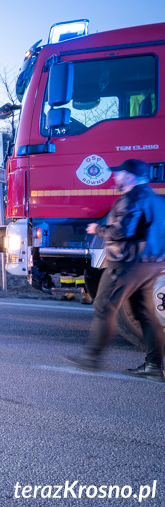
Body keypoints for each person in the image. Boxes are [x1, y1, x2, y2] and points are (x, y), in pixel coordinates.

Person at [65, 159, 165, 382]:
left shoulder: (131, 198)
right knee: (145, 314)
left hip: (126, 264)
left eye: (119, 173)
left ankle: (91, 358)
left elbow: (123, 232)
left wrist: (97, 229)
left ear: (130, 175)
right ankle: (154, 366)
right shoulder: (158, 200)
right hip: (151, 265)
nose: (115, 176)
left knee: (104, 308)